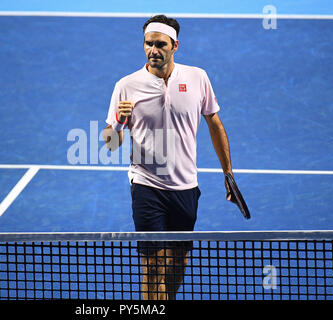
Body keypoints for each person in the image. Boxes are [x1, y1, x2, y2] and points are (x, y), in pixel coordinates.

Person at [103, 15, 234, 300]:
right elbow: (111, 144)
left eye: (160, 44)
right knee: (152, 267)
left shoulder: (198, 77)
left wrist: (228, 173)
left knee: (178, 262)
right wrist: (117, 124)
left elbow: (214, 123)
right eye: (148, 44)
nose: (153, 50)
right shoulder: (126, 85)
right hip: (146, 186)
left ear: (175, 45)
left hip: (186, 186)